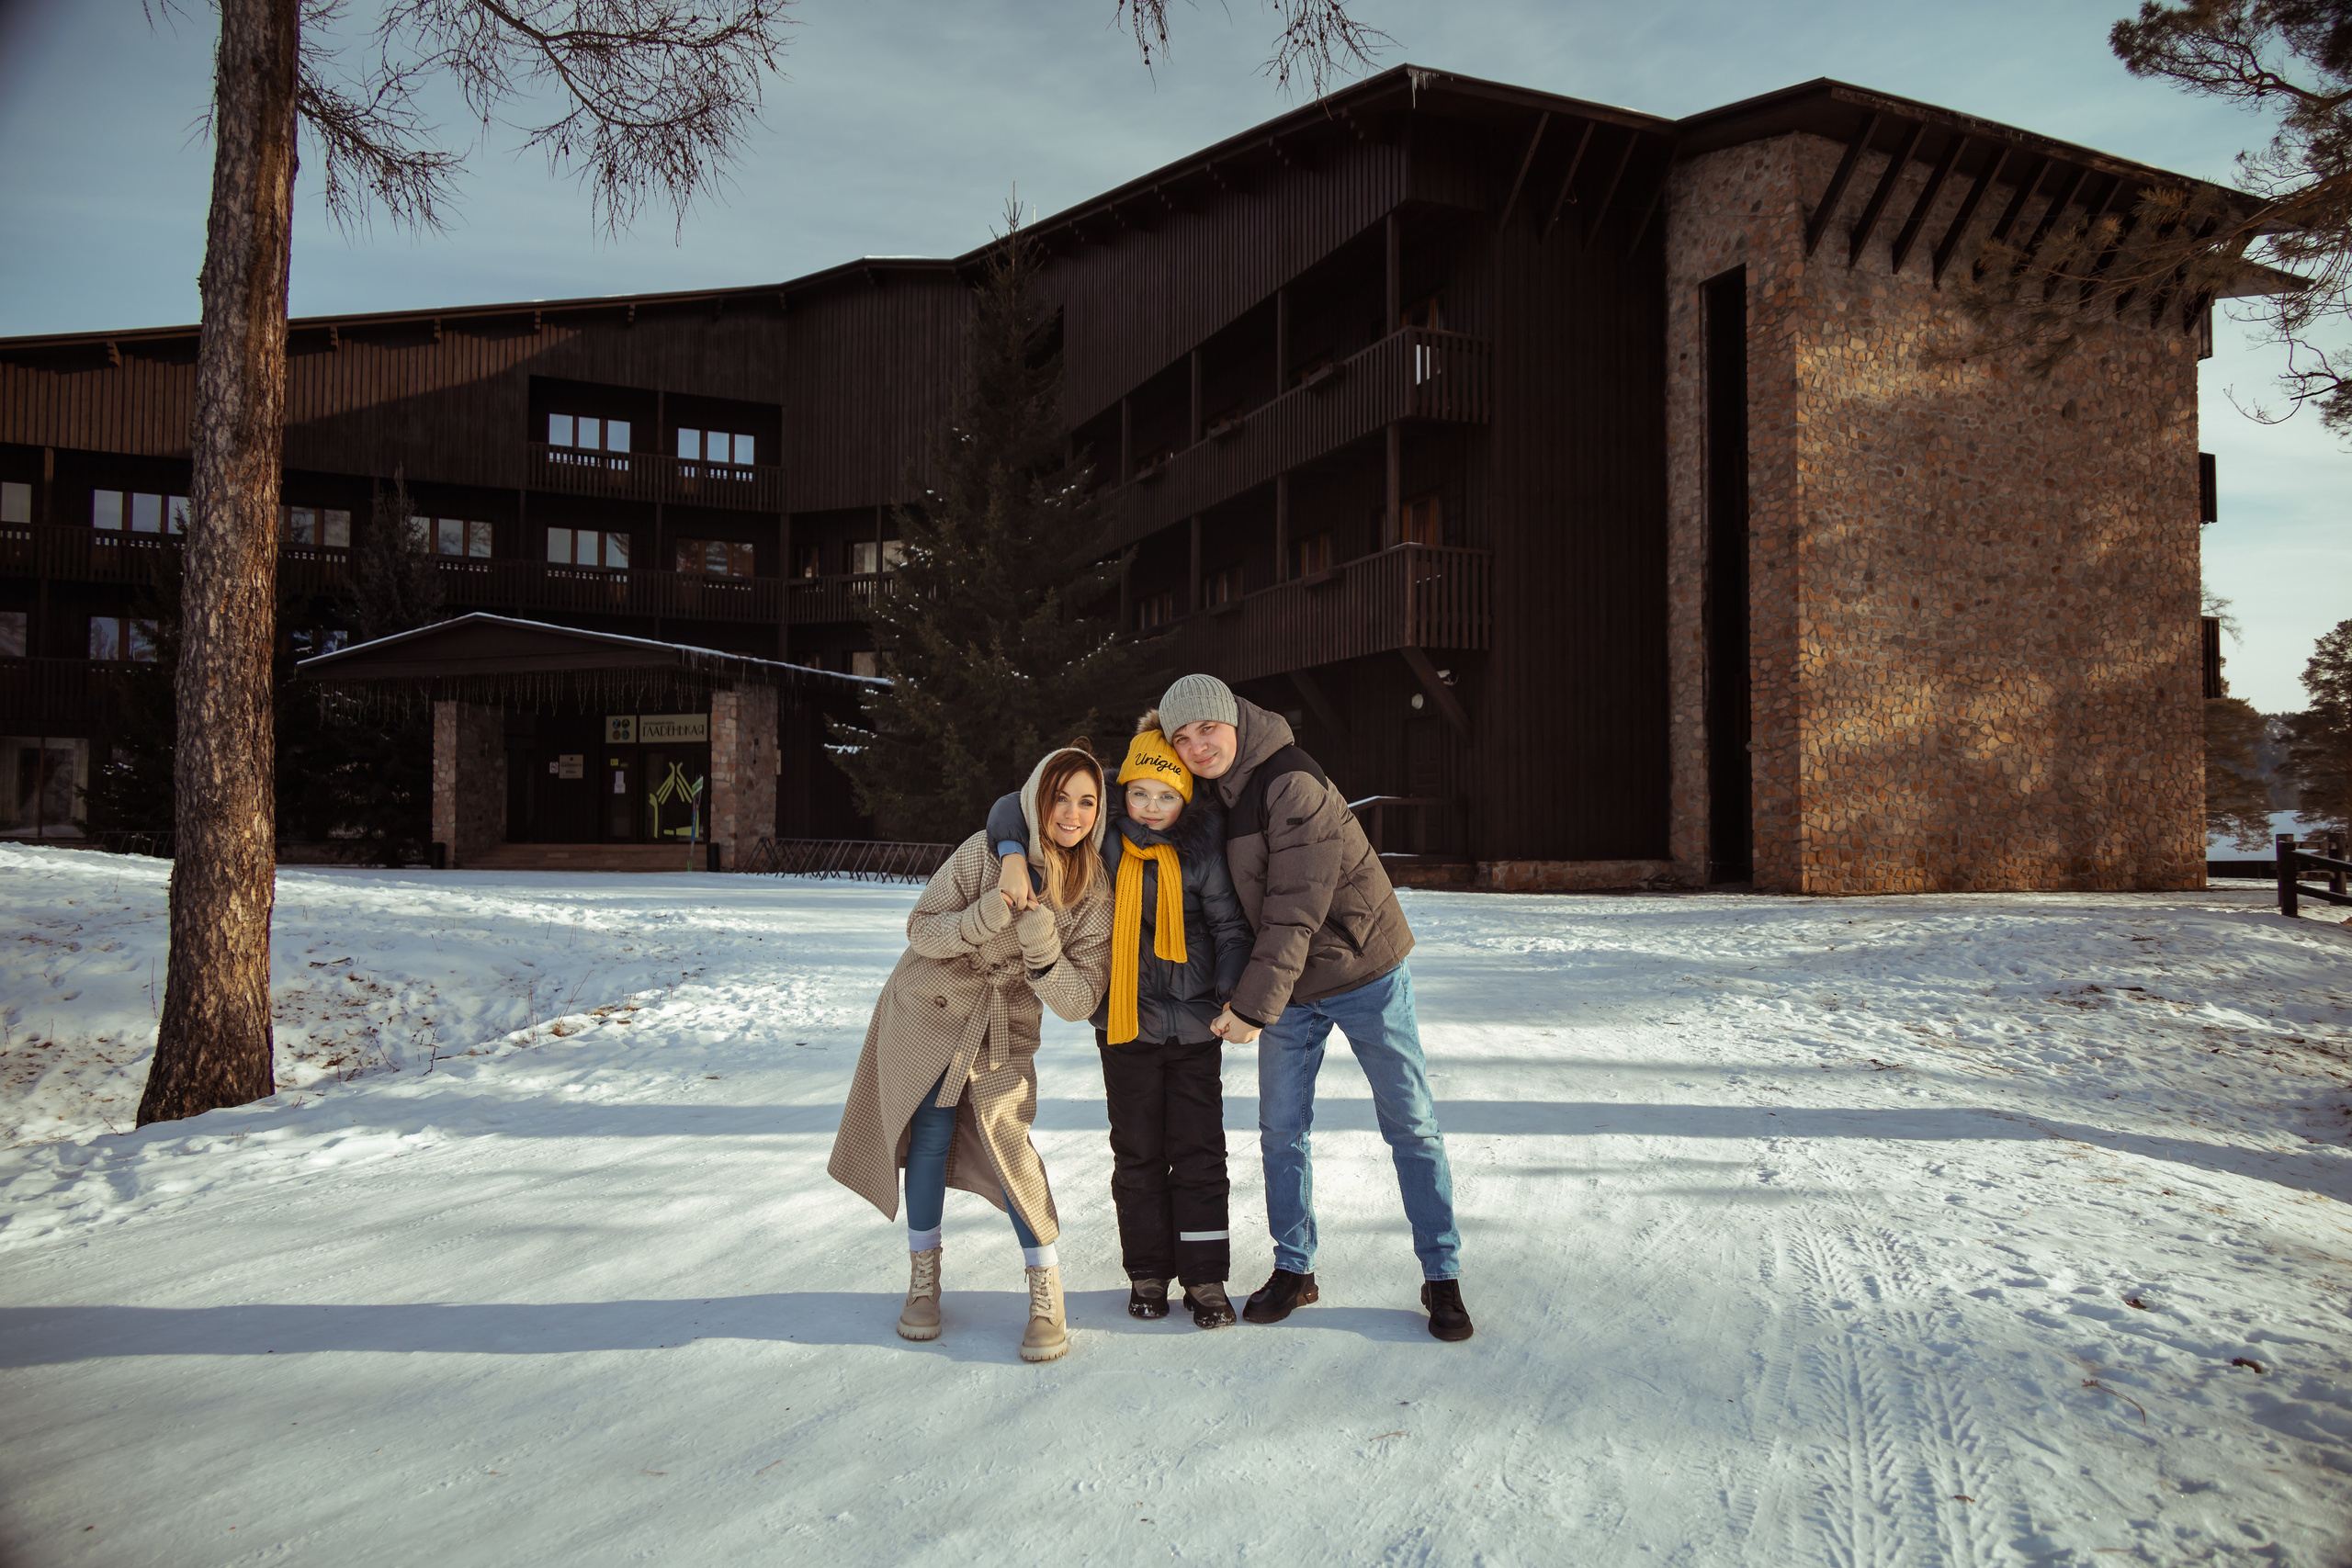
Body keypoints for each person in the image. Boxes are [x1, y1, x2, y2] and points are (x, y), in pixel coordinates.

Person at [1160, 672, 1473, 1343]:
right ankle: (1295, 1268)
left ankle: (1442, 1275)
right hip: (1294, 986)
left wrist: (1249, 1007)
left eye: (1205, 729)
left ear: (1233, 720)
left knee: (1409, 1122)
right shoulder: (1214, 791)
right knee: (1281, 1128)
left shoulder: (1290, 779)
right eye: (1180, 738)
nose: (1195, 747)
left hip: (1364, 969)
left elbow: (1294, 908)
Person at [827, 745, 1114, 1363]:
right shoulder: (984, 852)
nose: (1071, 812)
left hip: (1001, 1024)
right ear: (1038, 798)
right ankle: (923, 1279)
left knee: (1007, 1142)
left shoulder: (1093, 891)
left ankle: (1046, 1283)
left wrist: (1039, 940)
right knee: (928, 1132)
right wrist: (987, 913)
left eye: (1086, 801)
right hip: (928, 1006)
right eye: (1059, 796)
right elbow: (921, 929)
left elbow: (1079, 997)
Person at [986, 714, 1254, 1328]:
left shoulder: (1203, 847)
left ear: (1184, 797)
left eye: (1166, 797)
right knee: (1136, 1152)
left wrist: (1231, 989)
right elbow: (1014, 804)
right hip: (1124, 1026)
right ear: (1122, 790)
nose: (1152, 808)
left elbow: (1230, 929)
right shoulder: (1103, 832)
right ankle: (1148, 1271)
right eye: (1140, 794)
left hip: (1192, 1027)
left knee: (1199, 1152)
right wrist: (1007, 853)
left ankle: (1206, 1276)